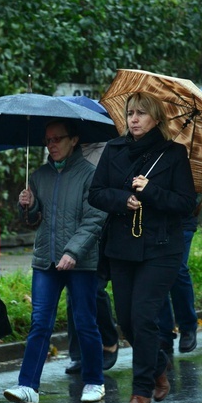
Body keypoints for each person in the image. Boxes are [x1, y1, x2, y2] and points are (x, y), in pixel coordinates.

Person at [89, 92, 196, 403]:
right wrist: (123, 199)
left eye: (142, 114)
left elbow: (185, 203)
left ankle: (141, 392)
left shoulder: (173, 154)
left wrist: (152, 192)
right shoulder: (114, 149)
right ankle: (158, 365)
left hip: (161, 249)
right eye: (131, 113)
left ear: (156, 119)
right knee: (127, 321)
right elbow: (96, 193)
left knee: (145, 316)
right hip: (122, 248)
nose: (134, 119)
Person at [3, 120, 106, 403]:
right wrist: (28, 205)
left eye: (58, 139)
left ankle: (95, 381)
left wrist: (73, 252)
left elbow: (95, 218)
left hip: (80, 262)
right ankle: (28, 386)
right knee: (40, 323)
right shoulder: (38, 176)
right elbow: (33, 221)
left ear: (74, 140)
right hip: (45, 260)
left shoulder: (90, 174)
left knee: (85, 322)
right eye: (48, 141)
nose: (52, 145)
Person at [64, 141, 120, 376]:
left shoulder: (109, 149)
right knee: (72, 293)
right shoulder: (66, 152)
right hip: (73, 229)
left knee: (94, 289)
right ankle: (77, 352)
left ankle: (109, 339)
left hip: (104, 227)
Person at [157, 210, 200, 355]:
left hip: (181, 222)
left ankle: (188, 327)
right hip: (153, 224)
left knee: (178, 271)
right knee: (156, 273)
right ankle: (164, 332)